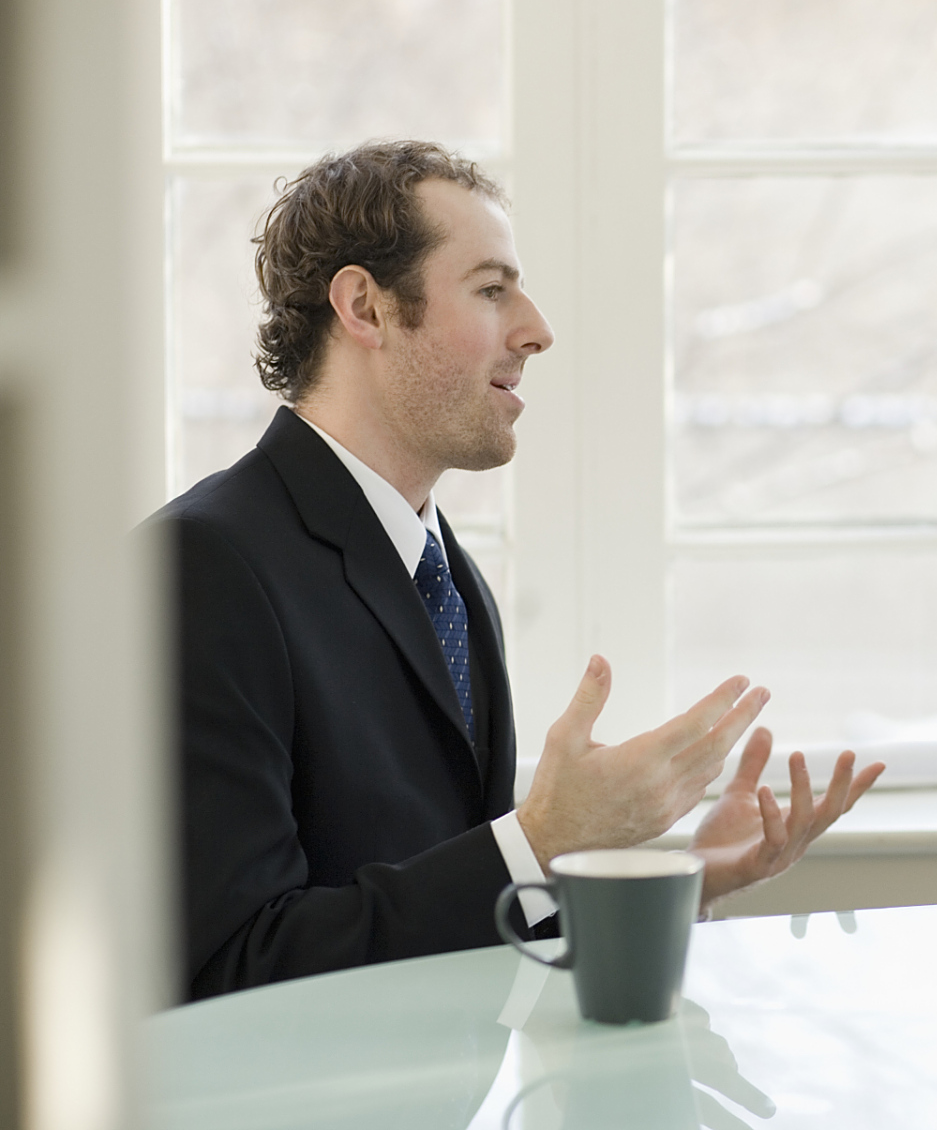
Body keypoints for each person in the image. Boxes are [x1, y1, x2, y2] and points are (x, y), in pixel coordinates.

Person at [160, 140, 883, 999]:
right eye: (491, 289)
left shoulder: (452, 583)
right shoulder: (198, 566)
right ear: (365, 307)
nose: (537, 330)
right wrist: (539, 840)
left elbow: (459, 924)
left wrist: (681, 883)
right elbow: (234, 967)